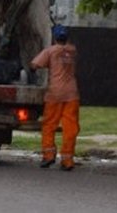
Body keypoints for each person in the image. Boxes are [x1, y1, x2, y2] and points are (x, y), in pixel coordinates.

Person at [30, 24, 80, 171]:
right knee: (70, 127)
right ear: (67, 37)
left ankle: (49, 156)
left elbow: (34, 65)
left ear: (54, 37)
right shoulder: (72, 51)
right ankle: (67, 160)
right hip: (72, 93)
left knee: (49, 125)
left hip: (55, 94)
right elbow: (66, 51)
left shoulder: (50, 51)